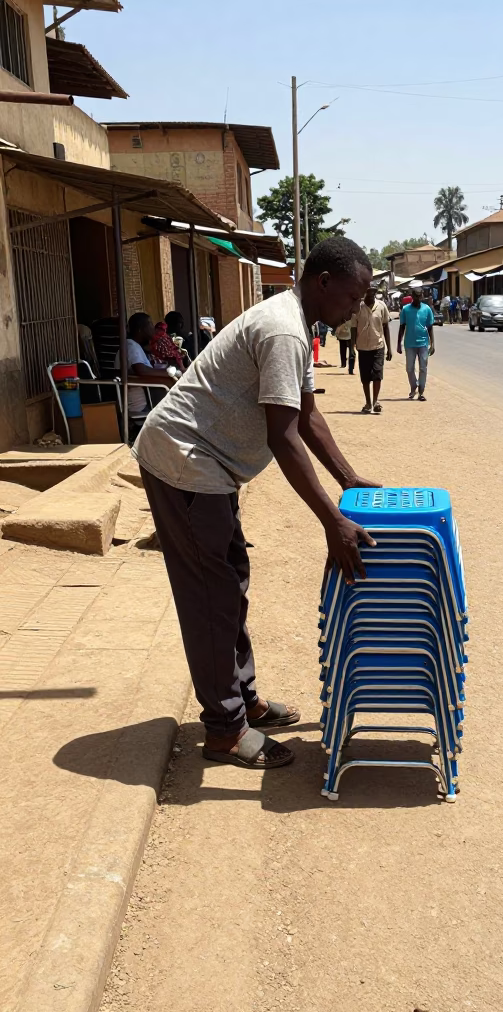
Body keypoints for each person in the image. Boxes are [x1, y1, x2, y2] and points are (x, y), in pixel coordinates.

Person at [134, 238, 379, 772]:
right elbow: (284, 436)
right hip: (185, 463)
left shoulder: (299, 325)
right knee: (212, 596)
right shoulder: (283, 330)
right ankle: (224, 730)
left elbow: (308, 415)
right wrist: (332, 521)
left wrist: (350, 480)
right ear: (324, 282)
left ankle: (243, 703)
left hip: (210, 468)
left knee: (230, 583)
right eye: (355, 295)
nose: (357, 307)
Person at [115, 312, 176, 427]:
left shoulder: (134, 346)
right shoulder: (131, 346)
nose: (153, 328)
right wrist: (169, 373)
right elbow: (141, 370)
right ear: (140, 329)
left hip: (144, 403)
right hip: (140, 407)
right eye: (149, 324)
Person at [350, 284, 392, 414]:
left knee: (377, 374)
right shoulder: (358, 308)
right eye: (369, 293)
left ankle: (375, 401)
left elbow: (385, 327)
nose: (371, 295)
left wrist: (389, 348)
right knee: (365, 377)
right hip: (362, 347)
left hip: (378, 346)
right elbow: (353, 328)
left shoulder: (381, 306)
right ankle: (368, 402)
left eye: (373, 293)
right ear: (365, 294)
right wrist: (352, 347)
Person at [397, 289, 435, 401]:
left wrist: (432, 344)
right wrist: (399, 343)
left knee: (423, 368)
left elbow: (430, 327)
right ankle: (413, 386)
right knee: (409, 368)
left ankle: (421, 392)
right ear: (412, 296)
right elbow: (402, 326)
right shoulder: (406, 309)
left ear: (422, 296)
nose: (418, 298)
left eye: (420, 296)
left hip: (423, 343)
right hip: (409, 343)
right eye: (416, 296)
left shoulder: (427, 309)